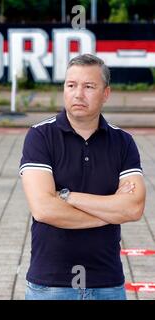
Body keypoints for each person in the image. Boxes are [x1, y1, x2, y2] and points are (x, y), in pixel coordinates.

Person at [19, 54, 146, 300]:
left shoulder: (122, 142)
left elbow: (133, 208)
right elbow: (44, 209)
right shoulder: (40, 137)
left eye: (89, 86)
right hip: (51, 284)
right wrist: (108, 212)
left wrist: (66, 196)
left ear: (106, 94)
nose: (78, 94)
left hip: (107, 283)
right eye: (71, 85)